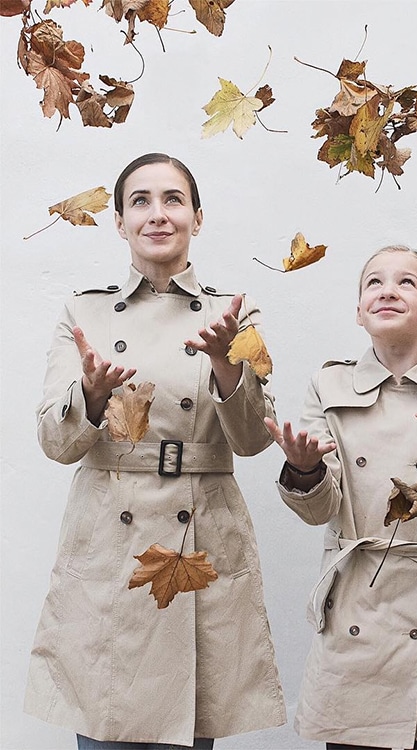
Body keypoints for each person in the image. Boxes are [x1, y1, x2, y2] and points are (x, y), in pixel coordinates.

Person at [24, 153, 286, 749]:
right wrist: (90, 395)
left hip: (200, 533)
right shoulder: (84, 310)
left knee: (187, 724)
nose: (157, 214)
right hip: (110, 539)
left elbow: (249, 441)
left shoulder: (234, 311)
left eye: (173, 200)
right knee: (107, 722)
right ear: (118, 221)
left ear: (197, 216)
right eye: (140, 201)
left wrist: (224, 361)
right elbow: (54, 442)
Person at [264, 245, 417, 750]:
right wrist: (304, 470)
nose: (388, 290)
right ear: (358, 311)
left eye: (406, 283)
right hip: (357, 613)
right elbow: (319, 511)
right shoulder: (328, 384)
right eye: (374, 282)